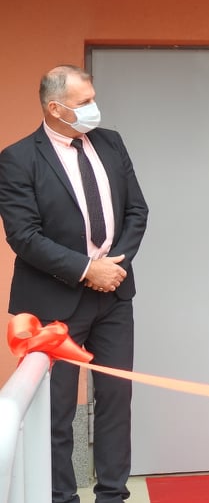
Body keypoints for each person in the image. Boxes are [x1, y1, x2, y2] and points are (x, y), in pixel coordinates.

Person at [0, 65, 149, 503]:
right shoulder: (18, 159)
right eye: (84, 102)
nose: (93, 108)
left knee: (116, 401)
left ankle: (113, 495)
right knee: (56, 410)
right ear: (55, 108)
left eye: (92, 98)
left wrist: (114, 266)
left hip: (114, 297)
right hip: (54, 303)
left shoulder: (110, 142)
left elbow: (137, 211)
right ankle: (60, 497)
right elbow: (24, 236)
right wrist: (87, 269)